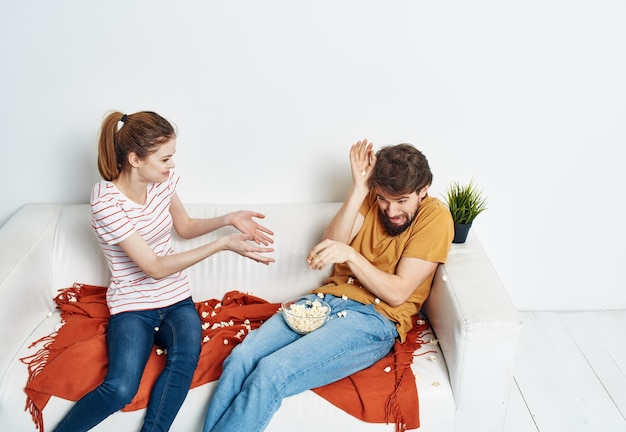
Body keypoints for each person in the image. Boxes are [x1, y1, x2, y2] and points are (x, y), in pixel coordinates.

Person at [202, 139, 454, 432]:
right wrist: (359, 188)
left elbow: (397, 293)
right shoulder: (370, 197)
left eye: (401, 201)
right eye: (384, 198)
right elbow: (329, 246)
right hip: (323, 300)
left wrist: (351, 255)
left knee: (272, 372)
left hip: (373, 319)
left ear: (424, 190)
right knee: (241, 359)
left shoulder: (435, 217)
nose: (390, 209)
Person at [53, 111, 275, 432]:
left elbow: (184, 227)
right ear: (135, 159)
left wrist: (227, 218)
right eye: (165, 158)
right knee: (120, 389)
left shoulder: (163, 183)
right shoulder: (105, 201)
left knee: (185, 359)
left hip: (176, 300)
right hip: (132, 307)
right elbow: (153, 267)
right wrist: (222, 245)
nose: (172, 166)